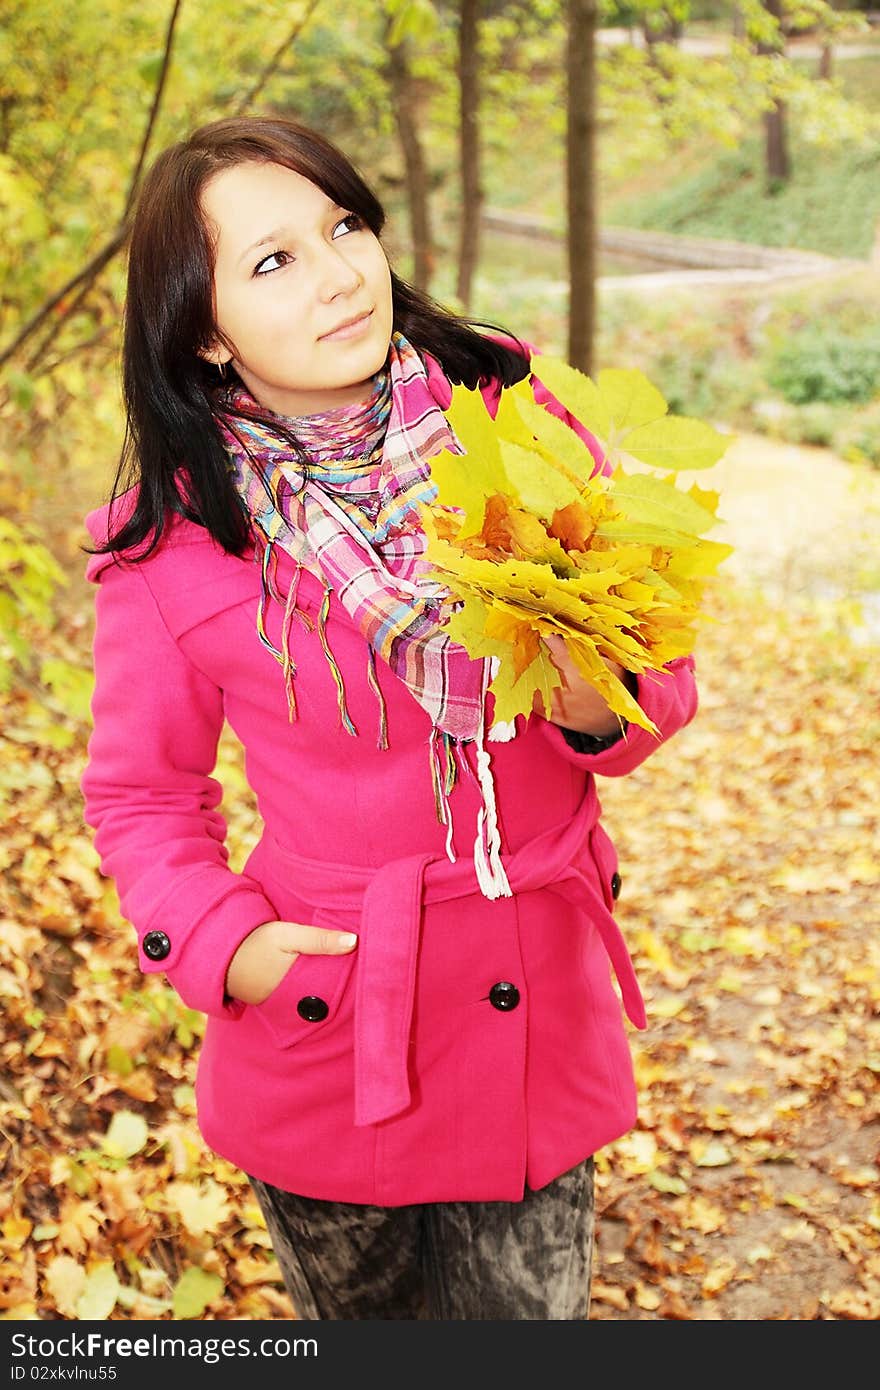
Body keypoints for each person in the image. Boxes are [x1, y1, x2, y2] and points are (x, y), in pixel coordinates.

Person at [79, 115, 698, 1321]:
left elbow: (659, 661)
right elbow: (143, 793)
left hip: (531, 1000)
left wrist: (594, 697)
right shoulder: (175, 544)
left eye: (343, 226)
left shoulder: (523, 432)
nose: (338, 273)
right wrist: (221, 942)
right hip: (330, 1022)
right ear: (205, 330)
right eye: (274, 261)